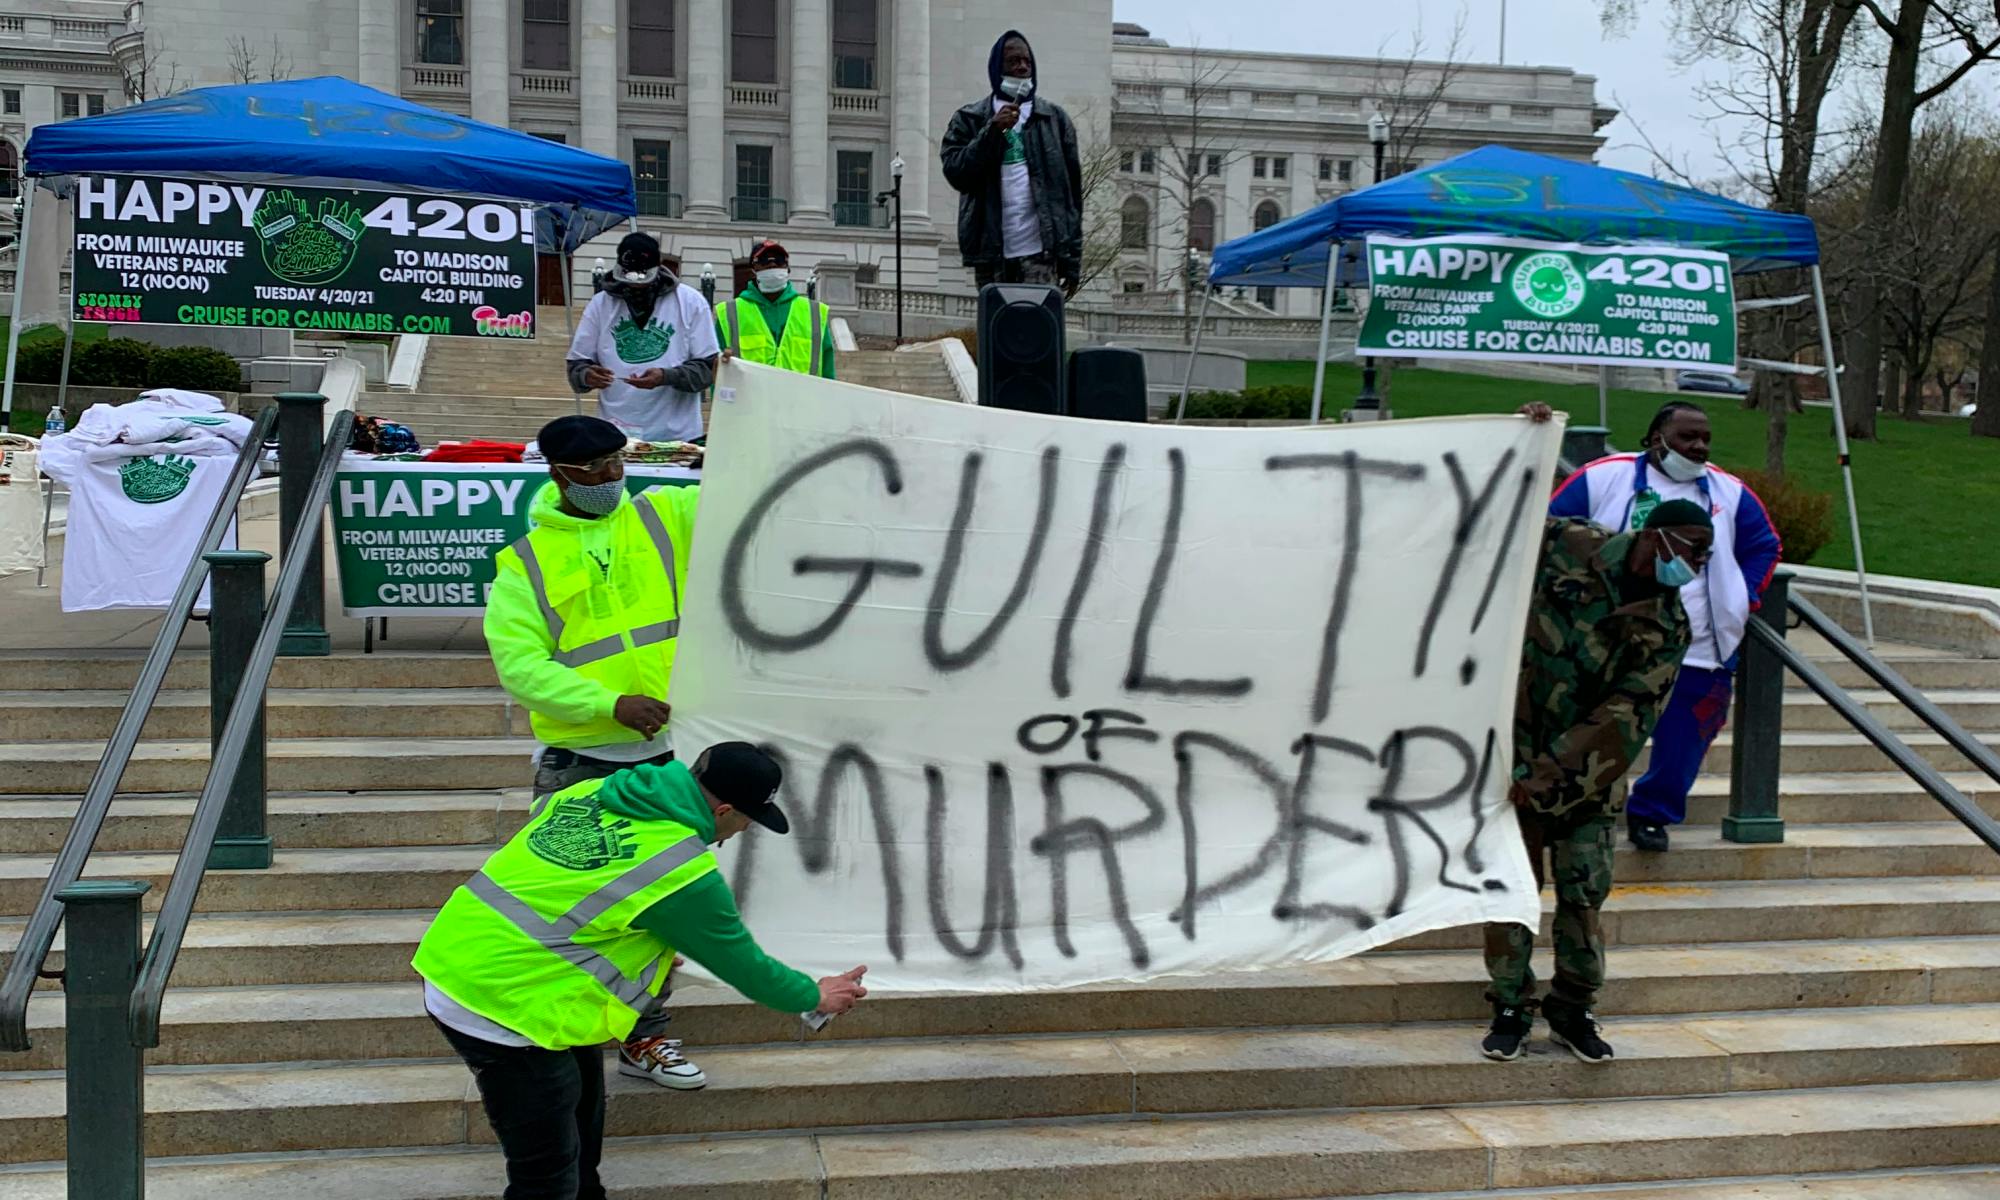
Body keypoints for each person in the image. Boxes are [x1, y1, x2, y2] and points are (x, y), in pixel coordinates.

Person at [414, 742, 870, 1200]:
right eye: (748, 819)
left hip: (464, 956)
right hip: (500, 1006)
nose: (745, 828)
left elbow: (562, 883)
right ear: (725, 810)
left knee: (581, 1113)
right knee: (545, 1176)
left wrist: (645, 945)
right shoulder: (680, 869)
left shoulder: (595, 790)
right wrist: (816, 996)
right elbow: (748, 968)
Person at [485, 413, 705, 1088]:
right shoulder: (524, 563)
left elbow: (749, 492)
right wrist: (608, 705)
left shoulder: (666, 514)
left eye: (618, 464)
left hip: (667, 759)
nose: (613, 479)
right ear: (561, 475)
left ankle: (645, 1036)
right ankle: (558, 1033)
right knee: (568, 912)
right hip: (579, 763)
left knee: (660, 908)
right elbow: (521, 667)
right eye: (598, 471)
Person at [1481, 499, 1710, 1065]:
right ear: (1655, 538)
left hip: (1587, 780)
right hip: (1508, 759)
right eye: (1693, 549)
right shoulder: (1570, 542)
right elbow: (1507, 513)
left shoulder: (1667, 623)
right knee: (1511, 894)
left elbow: (1624, 717)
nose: (1699, 563)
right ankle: (1510, 1005)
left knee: (1583, 897)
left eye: (1706, 553)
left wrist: (1545, 778)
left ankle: (1572, 1008)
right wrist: (1528, 433)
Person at [1549, 401, 1782, 851]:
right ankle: (1572, 811)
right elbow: (1552, 532)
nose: (1699, 447)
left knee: (1683, 743)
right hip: (1607, 640)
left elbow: (1764, 546)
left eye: (1705, 439)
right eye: (1687, 438)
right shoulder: (1605, 476)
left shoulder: (1728, 492)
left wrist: (1743, 597)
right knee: (1591, 731)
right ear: (1657, 439)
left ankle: (1652, 814)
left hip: (1698, 645)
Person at [939, 29, 1083, 296]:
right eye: (1014, 61)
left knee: (1036, 333)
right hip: (992, 254)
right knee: (997, 333)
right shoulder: (969, 119)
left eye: (1027, 61)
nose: (1022, 67)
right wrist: (992, 132)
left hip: (1041, 253)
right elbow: (956, 174)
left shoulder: (1054, 119)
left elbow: (1071, 196)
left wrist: (1072, 261)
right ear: (997, 67)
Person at [567, 231, 721, 442]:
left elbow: (708, 369)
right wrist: (586, 375)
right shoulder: (600, 304)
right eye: (627, 278)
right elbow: (576, 365)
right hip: (615, 434)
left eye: (643, 279)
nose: (635, 286)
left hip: (677, 437)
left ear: (658, 269)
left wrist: (666, 377)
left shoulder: (691, 302)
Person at [714, 239, 837, 378]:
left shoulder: (814, 314)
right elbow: (717, 373)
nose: (772, 264)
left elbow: (828, 373)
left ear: (787, 268)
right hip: (752, 399)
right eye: (764, 260)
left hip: (801, 399)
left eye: (779, 260)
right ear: (753, 269)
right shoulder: (729, 314)